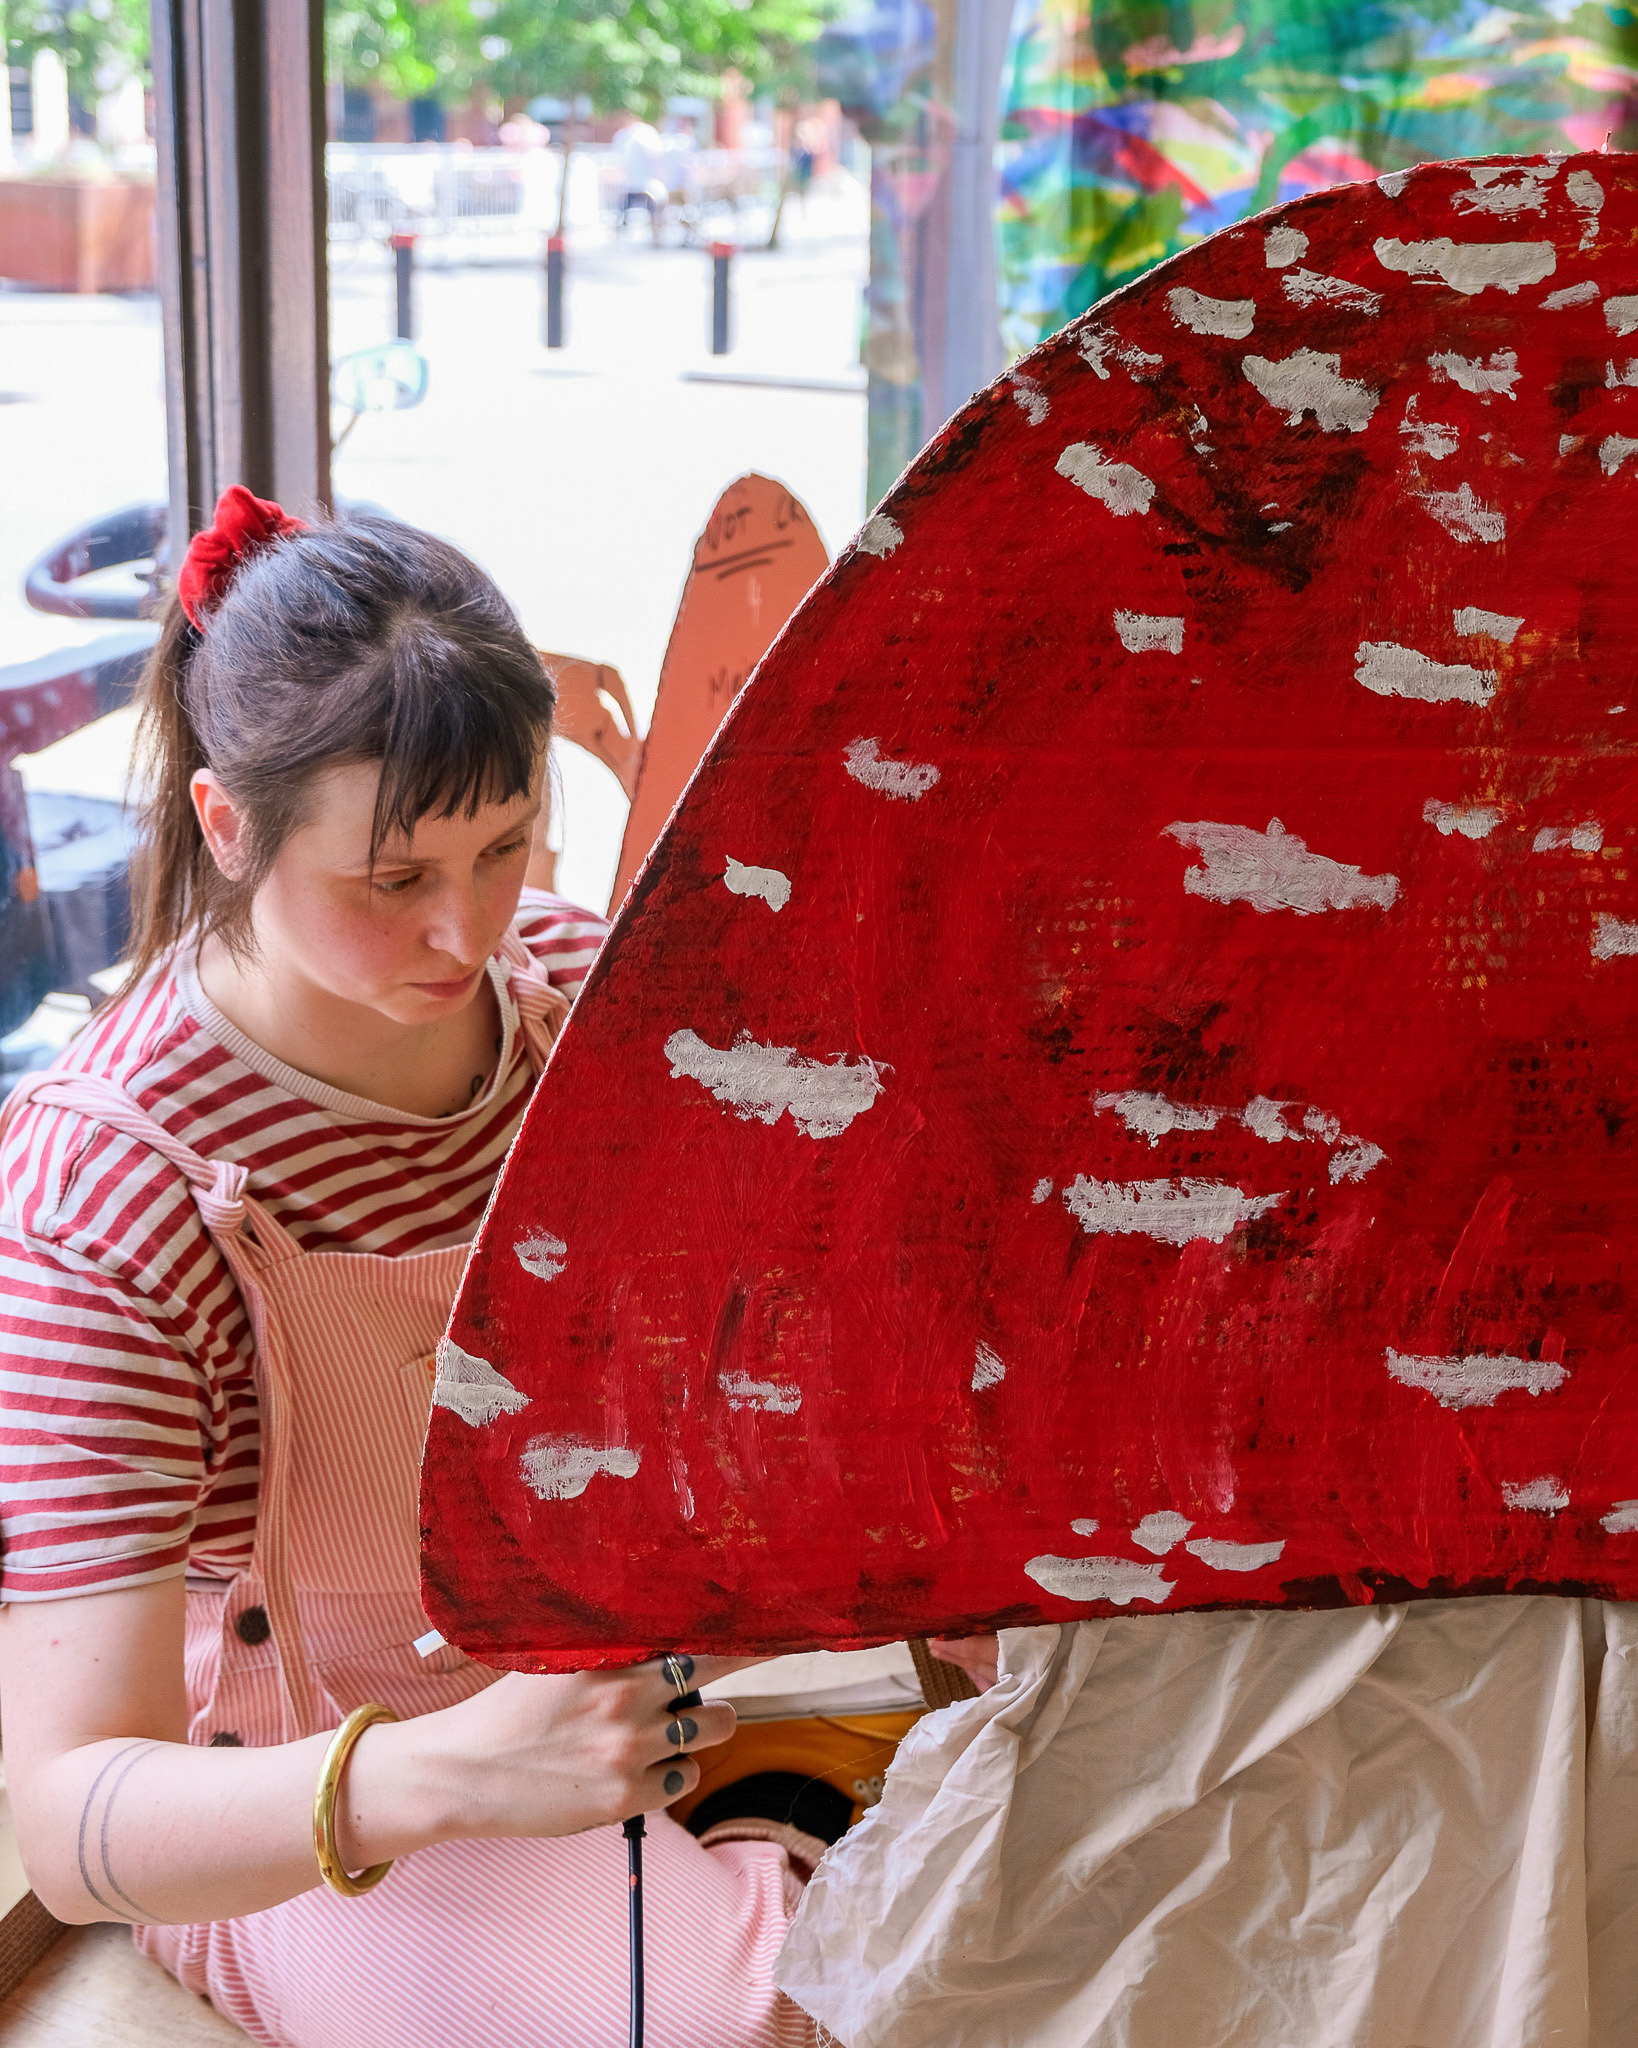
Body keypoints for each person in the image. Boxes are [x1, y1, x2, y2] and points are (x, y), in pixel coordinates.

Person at [0, 489, 822, 2048]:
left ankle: (741, 1843)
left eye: (506, 847)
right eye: (393, 882)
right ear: (228, 826)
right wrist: (456, 1773)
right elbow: (73, 1827)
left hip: (611, 1666)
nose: (467, 932)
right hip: (295, 1811)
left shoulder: (580, 996)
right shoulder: (100, 1198)